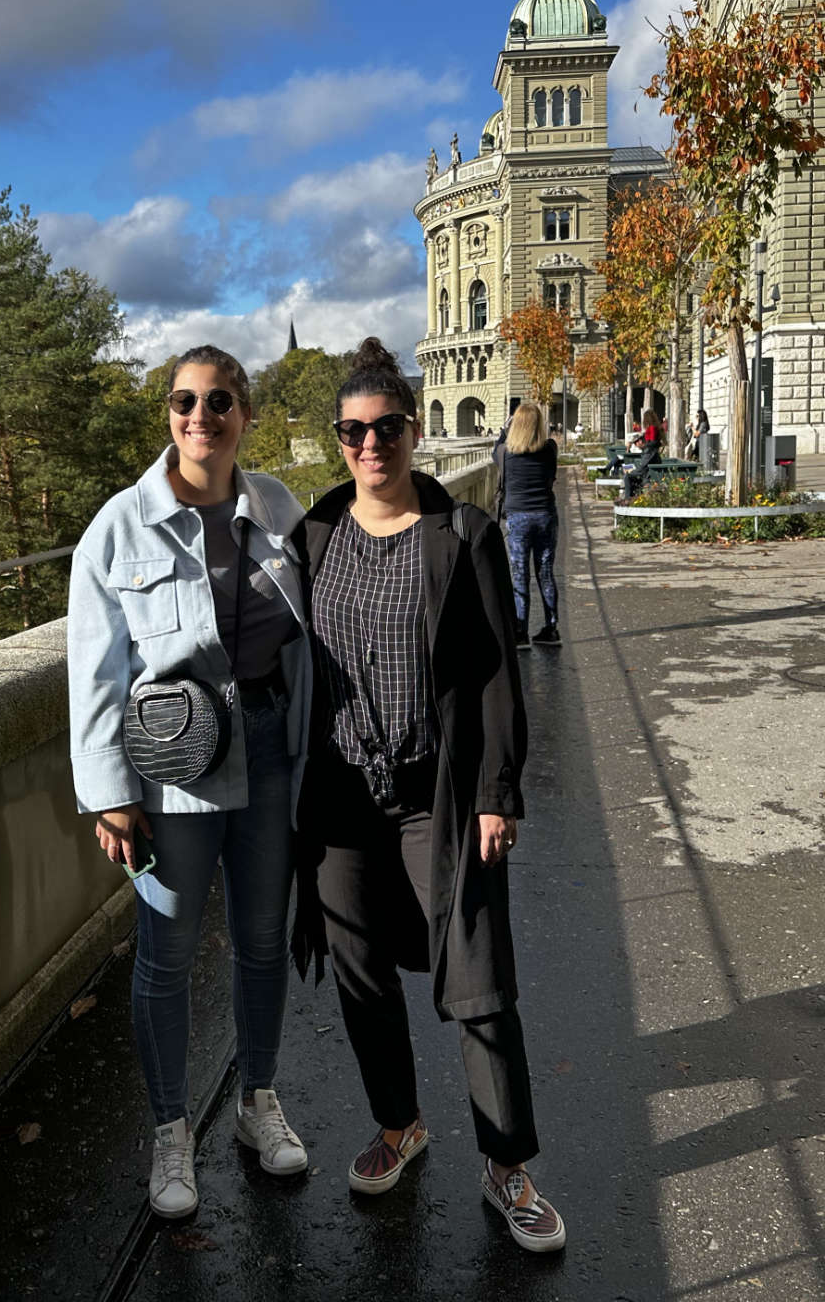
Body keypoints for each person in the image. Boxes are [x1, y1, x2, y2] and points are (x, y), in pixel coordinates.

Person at [291, 337, 566, 1254]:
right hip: (339, 798)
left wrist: (499, 791)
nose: (371, 445)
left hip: (436, 793)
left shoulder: (464, 534)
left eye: (386, 428)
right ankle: (400, 1123)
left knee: (480, 979)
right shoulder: (315, 534)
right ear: (339, 442)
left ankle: (507, 1165)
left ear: (412, 430)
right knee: (361, 974)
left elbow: (495, 669)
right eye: (353, 431)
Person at [67, 345, 313, 1220]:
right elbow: (93, 671)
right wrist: (107, 795)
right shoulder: (119, 527)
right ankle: (171, 1130)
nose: (199, 417)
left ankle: (257, 1101)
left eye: (218, 402)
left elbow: (313, 633)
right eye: (184, 402)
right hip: (168, 771)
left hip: (271, 748)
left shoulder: (277, 506)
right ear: (168, 414)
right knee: (165, 953)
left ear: (244, 413)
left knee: (260, 938)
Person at [500, 403, 561, 648]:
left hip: (519, 518)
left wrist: (505, 430)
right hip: (545, 515)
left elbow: (499, 443)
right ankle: (551, 628)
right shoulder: (550, 450)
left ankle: (520, 631)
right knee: (545, 573)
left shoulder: (505, 453)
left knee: (519, 576)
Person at [624, 408, 663, 498]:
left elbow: (643, 466)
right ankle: (630, 498)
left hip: (647, 473)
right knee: (629, 474)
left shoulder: (652, 430)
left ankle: (628, 499)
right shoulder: (654, 429)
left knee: (627, 476)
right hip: (648, 470)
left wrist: (632, 471)